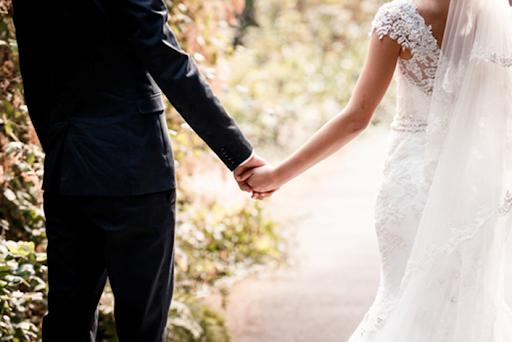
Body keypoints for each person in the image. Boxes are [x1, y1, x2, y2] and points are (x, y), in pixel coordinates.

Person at [238, 0, 512, 340]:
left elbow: (356, 119)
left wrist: (278, 174)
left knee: (402, 296)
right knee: (462, 307)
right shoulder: (498, 22)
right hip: (477, 191)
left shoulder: (400, 19)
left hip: (415, 184)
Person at [12, 0, 272, 341]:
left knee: (67, 321)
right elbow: (171, 65)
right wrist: (238, 154)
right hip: (137, 170)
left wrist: (65, 148)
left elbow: (34, 77)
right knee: (144, 326)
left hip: (68, 168)